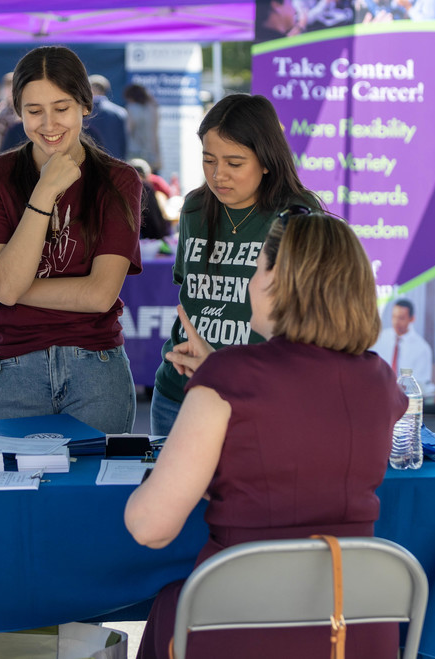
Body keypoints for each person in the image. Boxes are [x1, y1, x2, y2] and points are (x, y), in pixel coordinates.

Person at [126, 209, 408, 659]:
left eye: (258, 266)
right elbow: (305, 436)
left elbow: (150, 527)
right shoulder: (380, 380)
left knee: (166, 605)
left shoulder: (230, 377)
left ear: (282, 279)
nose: (250, 280)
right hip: (352, 628)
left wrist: (214, 382)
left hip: (243, 626)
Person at [0, 45, 142, 435]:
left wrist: (0, 290)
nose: (48, 124)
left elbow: (99, 295)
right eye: (33, 111)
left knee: (95, 493)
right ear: (17, 111)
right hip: (12, 366)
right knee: (14, 495)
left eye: (61, 108)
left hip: (97, 367)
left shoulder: (119, 179)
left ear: (84, 104)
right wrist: (44, 193)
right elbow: (6, 285)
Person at [150, 94, 321, 437]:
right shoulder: (195, 208)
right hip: (176, 393)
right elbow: (193, 293)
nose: (218, 175)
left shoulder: (298, 215)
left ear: (267, 161)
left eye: (235, 162)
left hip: (254, 398)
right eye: (208, 160)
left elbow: (309, 322)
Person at [373, 298, 435, 401]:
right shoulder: (380, 339)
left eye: (401, 318)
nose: (396, 322)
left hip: (405, 401)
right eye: (394, 317)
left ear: (412, 319)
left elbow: (421, 384)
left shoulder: (422, 349)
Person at [86, 74, 129, 160]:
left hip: (90, 162)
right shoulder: (120, 112)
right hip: (115, 162)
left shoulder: (82, 112)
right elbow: (124, 141)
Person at [123, 83, 161, 173]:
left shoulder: (132, 108)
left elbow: (128, 129)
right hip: (152, 151)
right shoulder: (153, 108)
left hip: (135, 152)